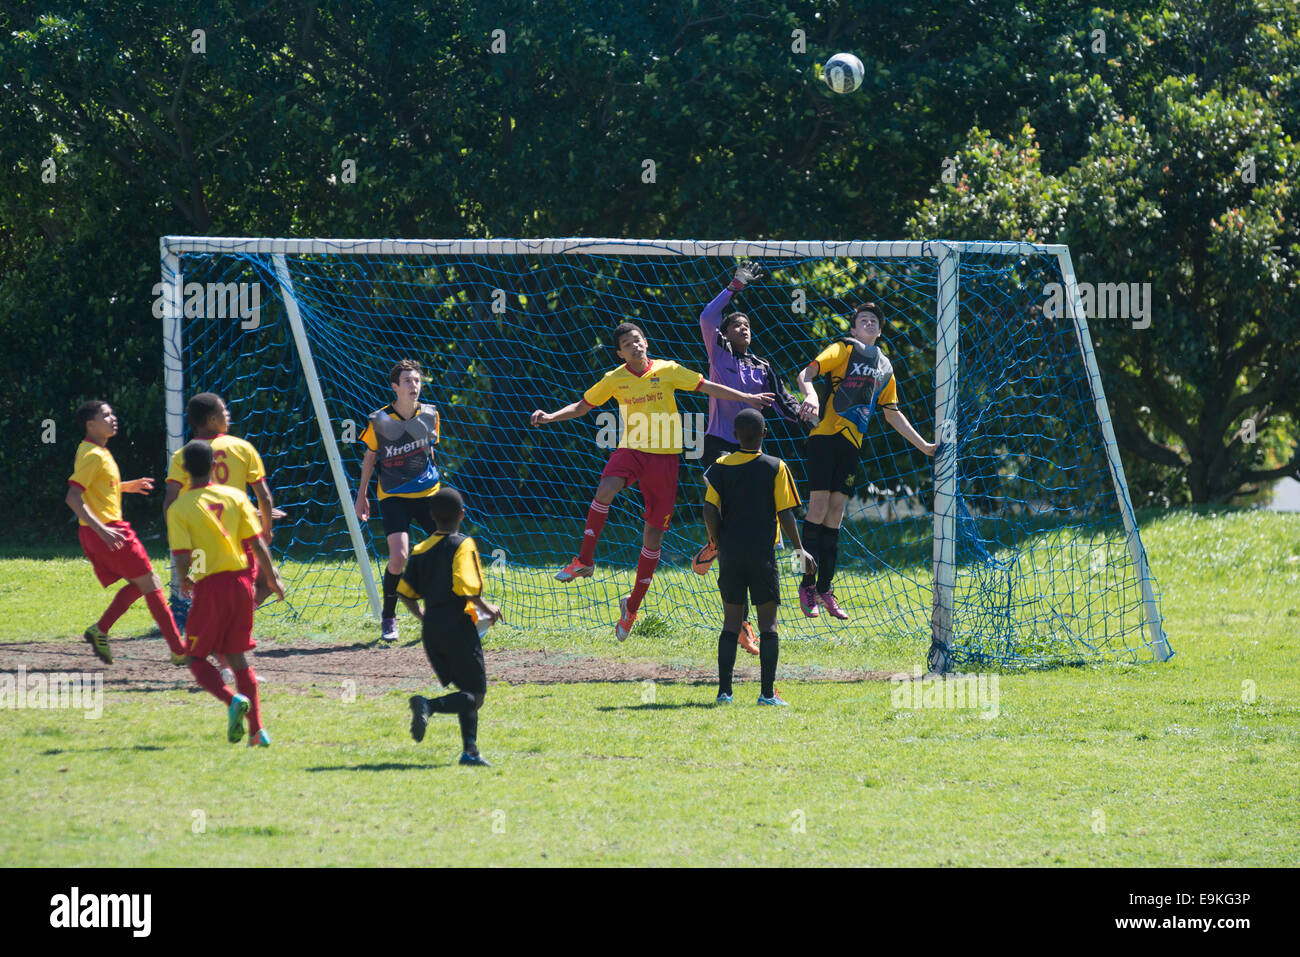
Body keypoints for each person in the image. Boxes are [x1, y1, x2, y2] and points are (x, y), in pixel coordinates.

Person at [530, 321, 774, 640]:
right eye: (627, 344)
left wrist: (745, 396)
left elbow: (706, 386)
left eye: (638, 340)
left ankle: (631, 608)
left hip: (665, 459)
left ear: (646, 342)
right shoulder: (614, 379)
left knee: (653, 537)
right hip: (631, 449)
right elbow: (582, 406)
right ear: (620, 353)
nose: (635, 346)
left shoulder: (668, 369)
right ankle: (584, 560)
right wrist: (550, 416)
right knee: (605, 489)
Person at [692, 260, 810, 654]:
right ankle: (716, 552)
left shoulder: (761, 366)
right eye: (736, 325)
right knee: (723, 523)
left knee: (746, 530)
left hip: (751, 451)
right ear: (725, 333)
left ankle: (721, 560)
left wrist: (805, 413)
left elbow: (784, 402)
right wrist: (735, 286)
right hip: (718, 444)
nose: (743, 328)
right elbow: (708, 315)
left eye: (747, 326)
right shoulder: (717, 353)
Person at [794, 303, 937, 620]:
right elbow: (805, 372)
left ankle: (825, 588)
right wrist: (811, 395)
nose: (870, 323)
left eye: (875, 320)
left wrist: (925, 446)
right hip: (824, 436)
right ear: (854, 329)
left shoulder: (885, 366)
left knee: (836, 514)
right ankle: (805, 583)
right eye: (863, 320)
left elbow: (892, 413)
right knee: (816, 508)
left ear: (880, 330)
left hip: (850, 444)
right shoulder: (845, 348)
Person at [166, 439, 285, 747]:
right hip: (242, 585)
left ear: (185, 469)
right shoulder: (235, 496)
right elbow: (257, 544)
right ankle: (257, 732)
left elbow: (182, 555)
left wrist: (184, 580)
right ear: (213, 467)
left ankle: (231, 700)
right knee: (237, 658)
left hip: (211, 588)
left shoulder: (179, 508)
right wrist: (272, 579)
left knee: (193, 657)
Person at [163, 392, 280, 682]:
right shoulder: (242, 447)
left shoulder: (184, 454)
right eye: (225, 411)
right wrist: (266, 528)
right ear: (213, 419)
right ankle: (226, 657)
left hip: (201, 542)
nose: (229, 415)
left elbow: (170, 501)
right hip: (240, 538)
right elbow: (263, 496)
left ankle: (222, 651)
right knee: (264, 582)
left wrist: (178, 534)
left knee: (206, 592)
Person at [703, 409, 813, 706]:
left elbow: (709, 509)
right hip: (763, 555)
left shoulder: (720, 466)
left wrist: (717, 542)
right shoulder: (776, 466)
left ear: (735, 436)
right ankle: (766, 694)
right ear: (765, 433)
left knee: (730, 624)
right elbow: (785, 513)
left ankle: (724, 692)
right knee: (768, 627)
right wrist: (799, 549)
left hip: (731, 555)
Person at [65, 399, 186, 666]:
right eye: (105, 415)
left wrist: (124, 486)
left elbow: (99, 486)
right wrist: (103, 529)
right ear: (90, 424)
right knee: (152, 584)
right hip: (109, 531)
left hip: (102, 532)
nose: (113, 418)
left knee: (142, 582)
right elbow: (73, 497)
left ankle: (101, 630)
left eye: (112, 413)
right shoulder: (92, 454)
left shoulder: (97, 451)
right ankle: (179, 649)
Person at [398, 488, 500, 767]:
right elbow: (466, 587)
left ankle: (470, 752)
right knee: (475, 696)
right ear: (462, 515)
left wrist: (421, 616)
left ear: (431, 516)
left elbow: (405, 592)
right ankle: (428, 705)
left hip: (432, 630)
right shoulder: (462, 544)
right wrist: (488, 608)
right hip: (458, 628)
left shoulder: (419, 550)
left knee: (466, 690)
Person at [354, 358, 442, 643]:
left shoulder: (430, 414)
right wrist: (362, 495)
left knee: (446, 551)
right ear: (395, 387)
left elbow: (431, 453)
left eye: (417, 380)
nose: (414, 385)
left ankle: (444, 613)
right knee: (398, 557)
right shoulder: (379, 419)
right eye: (407, 381)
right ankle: (389, 617)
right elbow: (369, 459)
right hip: (393, 496)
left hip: (428, 493)